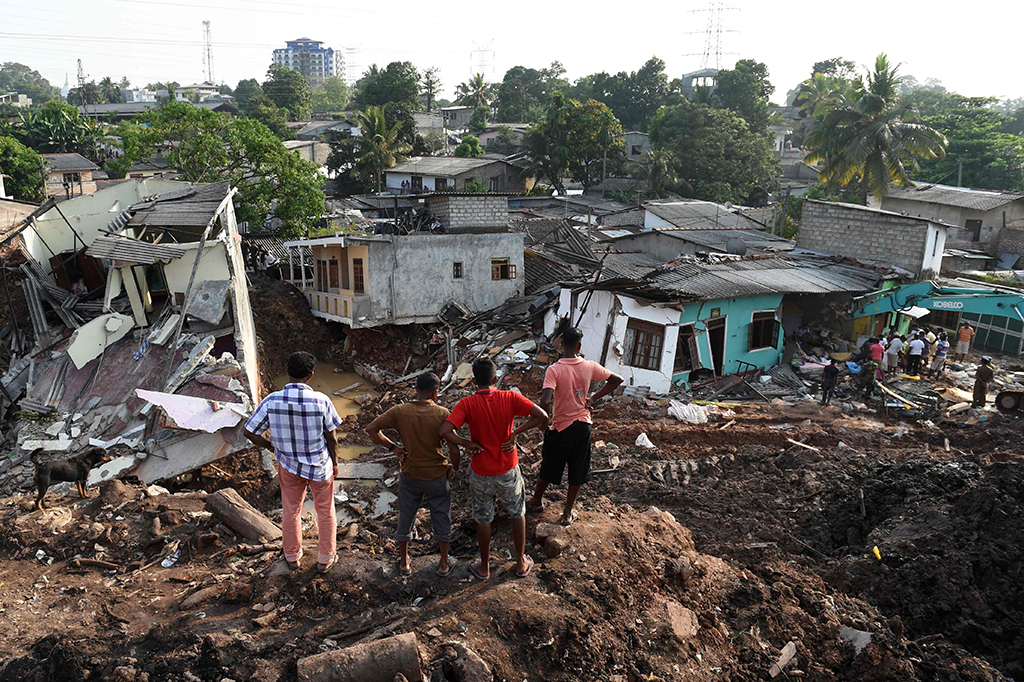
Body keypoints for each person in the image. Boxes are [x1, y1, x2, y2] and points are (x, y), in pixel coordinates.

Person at [439, 359, 549, 581]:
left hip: (481, 471)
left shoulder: (467, 404)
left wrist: (467, 443)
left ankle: (484, 567)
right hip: (508, 468)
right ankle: (520, 563)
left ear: (474, 381)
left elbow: (445, 431)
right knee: (517, 513)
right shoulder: (510, 397)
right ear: (495, 379)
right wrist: (515, 433)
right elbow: (542, 416)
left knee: (483, 518)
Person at [244, 352, 341, 573]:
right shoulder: (321, 400)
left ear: (287, 371)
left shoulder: (272, 401)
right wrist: (335, 462)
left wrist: (271, 446)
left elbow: (249, 431)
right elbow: (332, 438)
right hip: (319, 466)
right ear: (310, 375)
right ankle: (326, 559)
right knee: (325, 512)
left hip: (288, 466)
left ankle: (292, 556)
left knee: (291, 511)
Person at [365, 373, 459, 577]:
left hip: (410, 474)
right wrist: (454, 466)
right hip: (436, 475)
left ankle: (404, 562)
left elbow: (371, 429)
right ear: (435, 392)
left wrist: (393, 448)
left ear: (415, 390)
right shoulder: (442, 413)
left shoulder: (400, 411)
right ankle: (444, 563)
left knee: (406, 516)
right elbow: (453, 446)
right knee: (441, 516)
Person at [527, 327, 623, 526]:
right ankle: (567, 513)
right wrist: (593, 398)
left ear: (562, 345)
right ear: (579, 346)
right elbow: (617, 380)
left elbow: (545, 400)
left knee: (549, 466)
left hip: (561, 427)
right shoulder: (589, 366)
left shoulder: (554, 369)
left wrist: (544, 423)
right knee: (577, 470)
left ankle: (536, 501)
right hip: (583, 426)